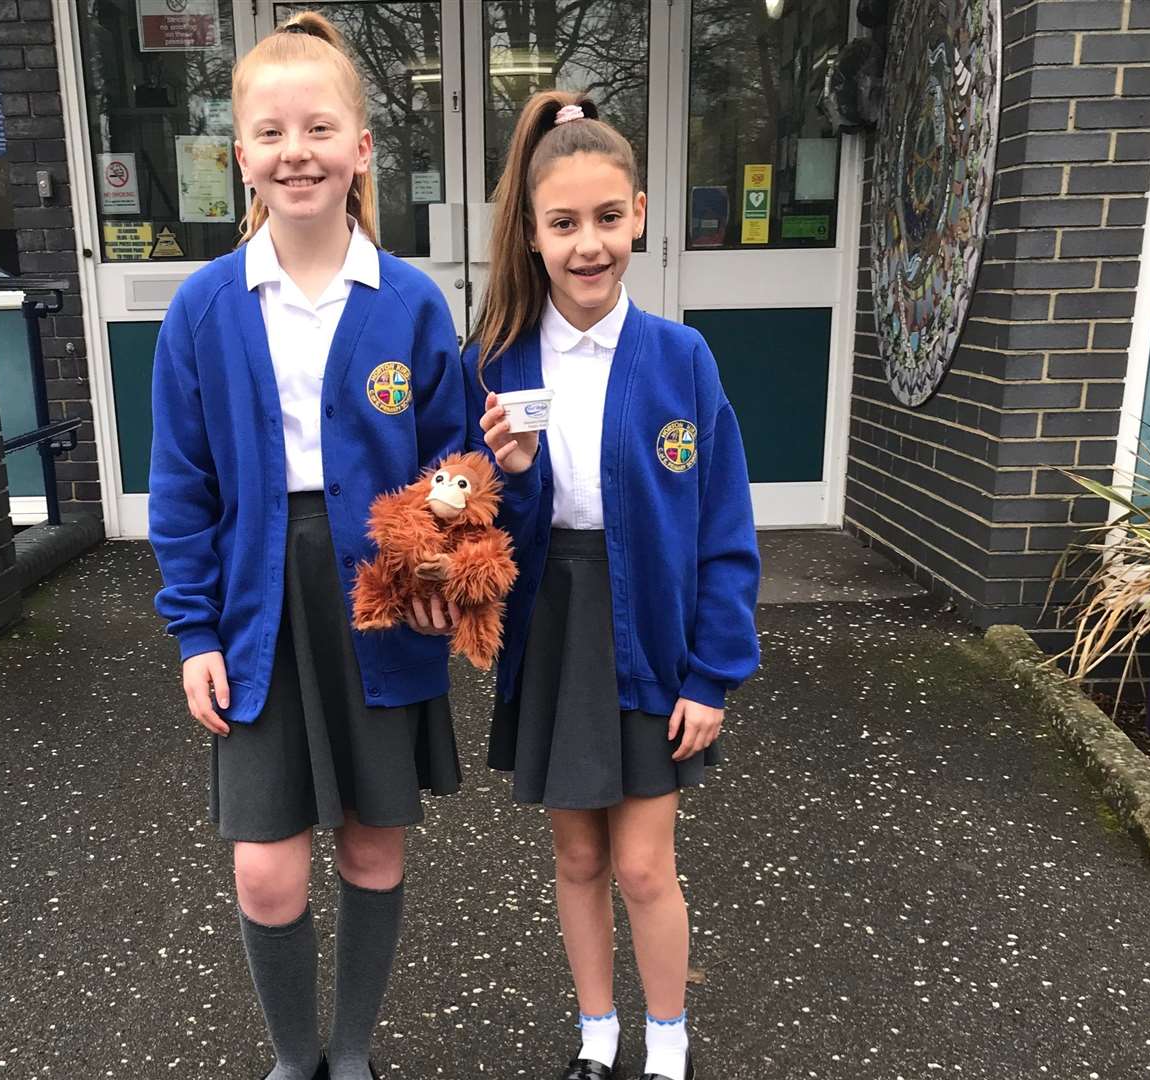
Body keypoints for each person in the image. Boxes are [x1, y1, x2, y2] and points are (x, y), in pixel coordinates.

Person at [148, 13, 465, 1080]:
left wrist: (438, 564)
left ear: (363, 147)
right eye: (271, 132)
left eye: (321, 127)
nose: (297, 151)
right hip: (255, 600)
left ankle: (356, 1050)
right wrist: (195, 629)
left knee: (374, 841)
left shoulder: (414, 305)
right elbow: (183, 487)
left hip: (375, 597)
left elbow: (449, 466)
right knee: (267, 874)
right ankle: (295, 1060)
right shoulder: (202, 311)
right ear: (240, 153)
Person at [464, 90, 761, 1080]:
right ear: (534, 234)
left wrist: (713, 673)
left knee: (642, 864)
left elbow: (723, 529)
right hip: (555, 627)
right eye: (563, 224)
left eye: (606, 218)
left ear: (638, 212)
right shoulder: (498, 362)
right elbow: (477, 538)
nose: (587, 245)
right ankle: (598, 1037)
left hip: (653, 633)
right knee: (580, 859)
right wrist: (502, 479)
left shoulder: (682, 360)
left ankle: (666, 1044)